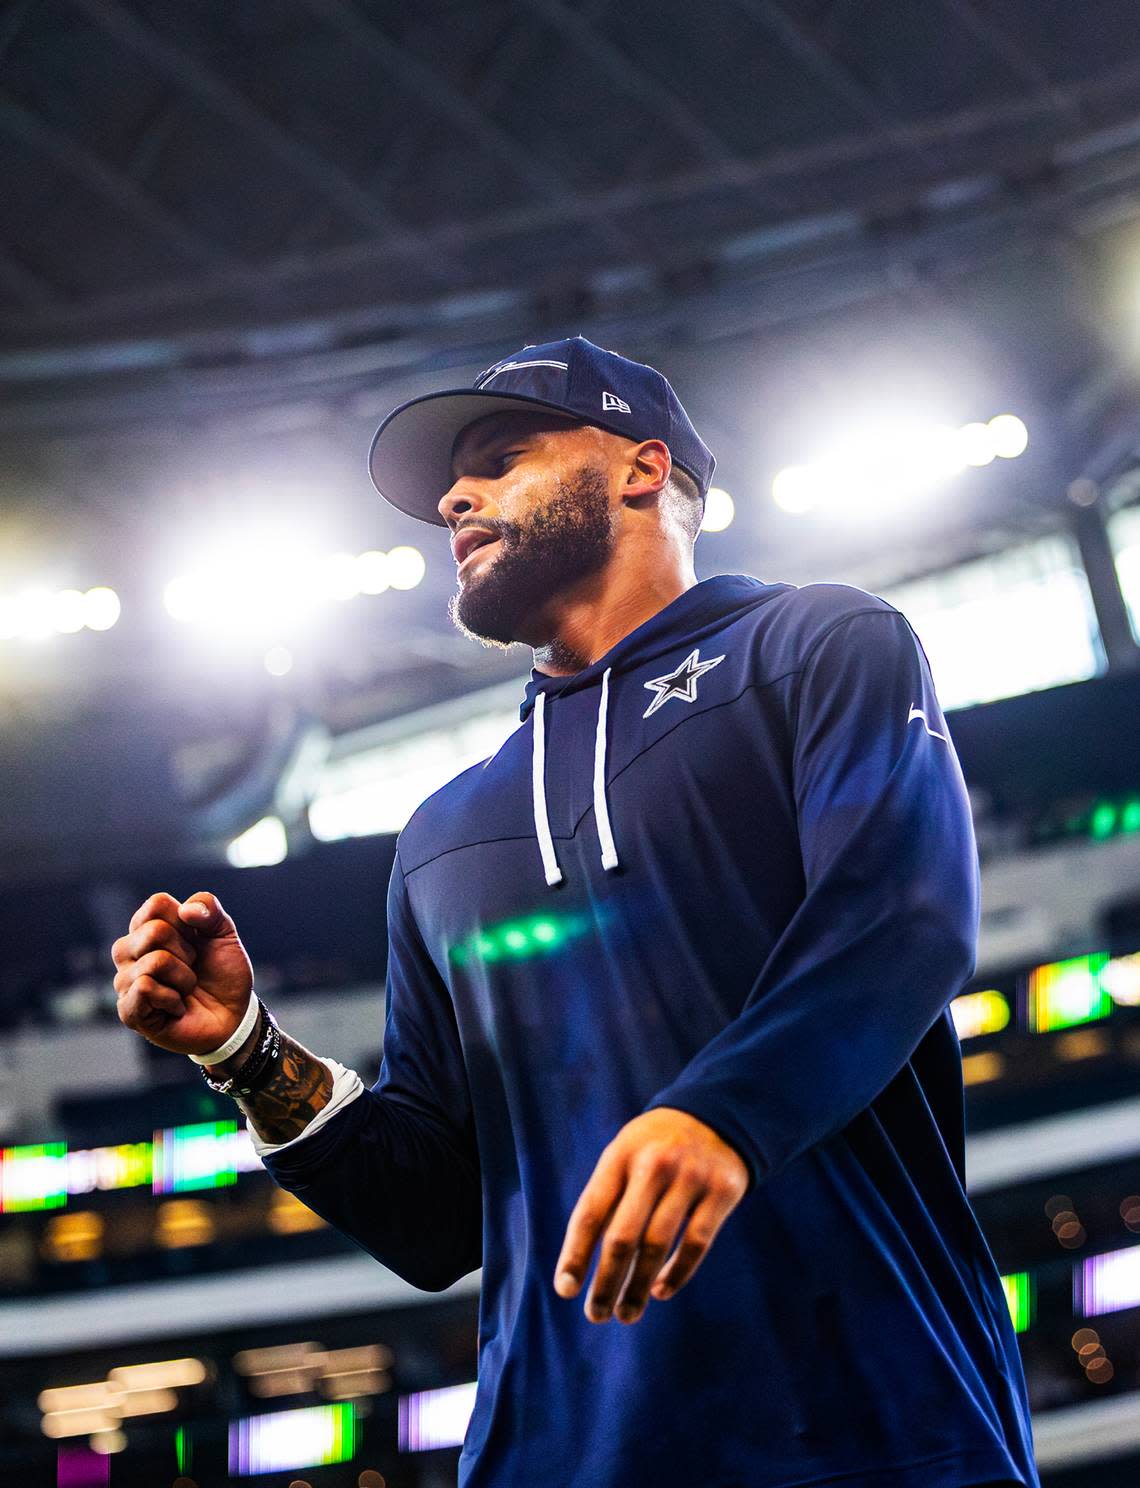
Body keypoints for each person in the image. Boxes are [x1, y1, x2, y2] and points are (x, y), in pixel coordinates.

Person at [113, 336, 1038, 1488]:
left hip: (876, 1428)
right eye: (457, 481)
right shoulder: (440, 834)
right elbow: (439, 1219)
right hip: (557, 1460)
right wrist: (247, 1055)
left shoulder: (818, 646)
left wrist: (719, 1115)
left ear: (643, 469)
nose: (455, 496)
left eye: (502, 459)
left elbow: (901, 918)